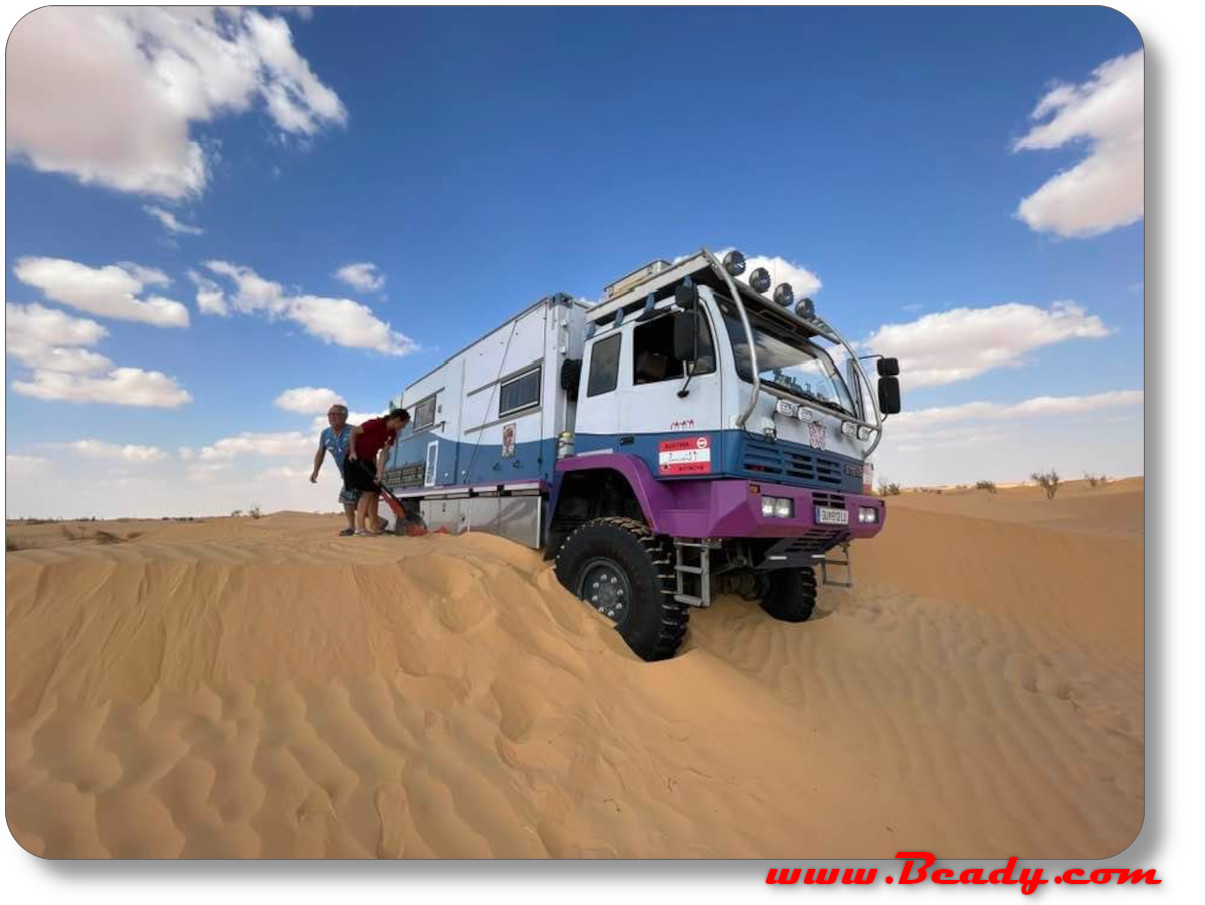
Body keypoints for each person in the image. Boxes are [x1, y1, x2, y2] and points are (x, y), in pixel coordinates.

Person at [346, 408, 410, 536]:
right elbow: (353, 431)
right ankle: (360, 529)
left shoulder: (392, 433)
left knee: (375, 491)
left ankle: (375, 527)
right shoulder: (375, 424)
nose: (403, 427)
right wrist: (352, 451)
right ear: (397, 419)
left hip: (369, 461)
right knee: (368, 491)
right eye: (403, 424)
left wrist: (379, 473)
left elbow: (384, 453)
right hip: (354, 460)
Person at [310, 403, 360, 536]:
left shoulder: (354, 430)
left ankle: (353, 527)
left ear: (345, 416)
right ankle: (376, 522)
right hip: (345, 474)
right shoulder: (325, 434)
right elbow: (321, 452)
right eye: (330, 414)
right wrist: (316, 471)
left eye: (336, 414)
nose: (332, 417)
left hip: (360, 471)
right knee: (355, 501)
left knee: (349, 498)